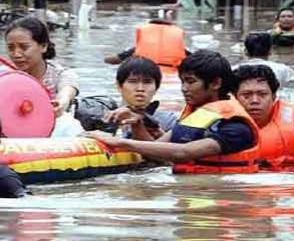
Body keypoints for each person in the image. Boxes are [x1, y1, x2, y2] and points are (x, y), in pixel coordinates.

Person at [86, 50, 260, 174]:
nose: (184, 89)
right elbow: (156, 153)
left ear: (215, 84)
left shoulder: (235, 126)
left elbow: (182, 153)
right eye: (182, 82)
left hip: (221, 209)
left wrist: (118, 143)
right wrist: (138, 124)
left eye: (190, 82)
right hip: (193, 201)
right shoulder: (195, 116)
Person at [5, 16, 79, 117]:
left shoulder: (61, 74)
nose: (16, 54)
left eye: (24, 47)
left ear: (43, 46)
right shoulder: (2, 75)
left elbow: (67, 91)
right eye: (10, 48)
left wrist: (61, 103)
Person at [233, 65, 294, 171]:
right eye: (247, 95)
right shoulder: (221, 134)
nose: (255, 100)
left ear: (273, 97)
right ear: (235, 98)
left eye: (262, 94)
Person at [104, 57, 178, 139]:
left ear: (157, 87)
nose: (140, 88)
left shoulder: (169, 121)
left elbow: (178, 149)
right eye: (132, 81)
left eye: (147, 82)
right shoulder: (105, 117)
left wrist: (160, 134)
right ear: (119, 85)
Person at [104, 12, 186, 67]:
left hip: (147, 74)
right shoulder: (179, 49)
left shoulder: (139, 48)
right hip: (172, 75)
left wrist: (104, 59)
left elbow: (113, 60)